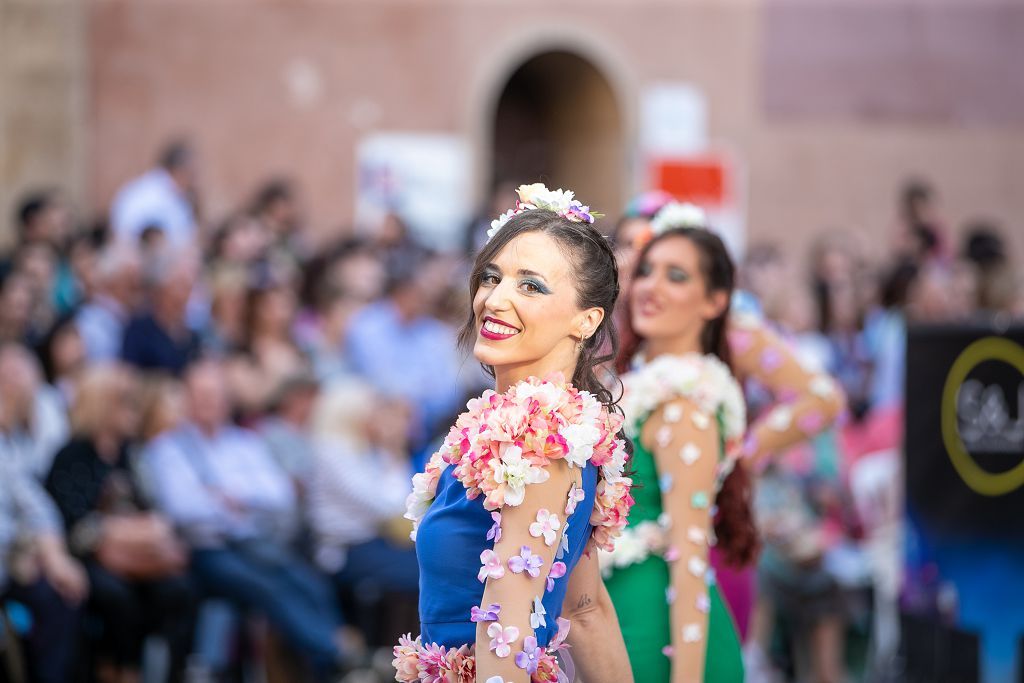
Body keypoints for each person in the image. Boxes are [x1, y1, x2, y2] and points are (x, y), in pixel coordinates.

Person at [393, 183, 634, 682]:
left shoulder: (541, 438)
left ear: (587, 321)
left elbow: (510, 620)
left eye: (531, 285)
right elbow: (585, 609)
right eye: (491, 276)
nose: (495, 299)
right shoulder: (544, 429)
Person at [606, 221, 753, 683]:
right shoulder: (635, 385)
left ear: (715, 301)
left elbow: (690, 559)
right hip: (618, 620)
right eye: (647, 270)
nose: (650, 286)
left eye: (677, 275)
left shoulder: (686, 404)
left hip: (658, 638)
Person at [141, 358, 352, 680]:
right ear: (187, 398)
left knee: (306, 581)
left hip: (251, 541)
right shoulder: (168, 448)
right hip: (205, 549)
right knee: (266, 588)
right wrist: (233, 505)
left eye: (214, 395)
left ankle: (335, 662)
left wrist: (233, 495)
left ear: (227, 400)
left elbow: (279, 494)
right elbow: (182, 508)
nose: (208, 403)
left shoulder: (244, 443)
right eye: (200, 395)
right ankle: (337, 655)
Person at [45, 363, 195, 683]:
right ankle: (119, 671)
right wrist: (127, 532)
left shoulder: (132, 454)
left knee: (180, 589)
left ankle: (173, 672)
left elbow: (157, 514)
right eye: (126, 401)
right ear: (103, 404)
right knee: (116, 596)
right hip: (91, 559)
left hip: (136, 558)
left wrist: (122, 533)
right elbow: (77, 528)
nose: (135, 410)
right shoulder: (71, 456)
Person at [110, 140, 199, 246]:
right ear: (179, 171)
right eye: (192, 173)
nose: (195, 181)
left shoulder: (176, 195)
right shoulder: (154, 195)